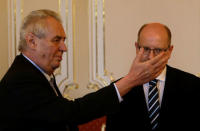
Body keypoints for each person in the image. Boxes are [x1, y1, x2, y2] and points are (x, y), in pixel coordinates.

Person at [0, 10, 170, 131]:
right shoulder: (21, 79)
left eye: (63, 40)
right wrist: (130, 80)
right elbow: (71, 113)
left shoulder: (35, 74)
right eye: (56, 40)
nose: (64, 47)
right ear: (31, 41)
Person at [105, 23, 200, 131]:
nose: (151, 57)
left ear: (169, 51)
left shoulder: (194, 86)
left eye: (158, 50)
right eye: (145, 49)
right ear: (137, 48)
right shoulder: (120, 89)